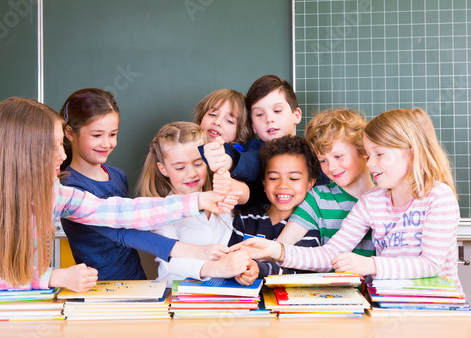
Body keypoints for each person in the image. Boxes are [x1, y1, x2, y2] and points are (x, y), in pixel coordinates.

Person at [0, 97, 239, 292]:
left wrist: (199, 200)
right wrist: (55, 277)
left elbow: (118, 212)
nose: (62, 155)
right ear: (25, 150)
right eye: (53, 147)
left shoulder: (52, 193)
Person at [235, 108, 461, 287]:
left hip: (436, 304)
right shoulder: (372, 202)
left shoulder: (439, 197)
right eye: (369, 154)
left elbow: (430, 264)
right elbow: (331, 253)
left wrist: (369, 264)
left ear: (412, 155)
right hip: (389, 302)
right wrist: (277, 250)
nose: (371, 163)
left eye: (379, 154)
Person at [59, 88, 226, 281]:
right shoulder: (68, 188)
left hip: (137, 282)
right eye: (97, 135)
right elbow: (126, 234)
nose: (106, 143)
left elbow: (134, 219)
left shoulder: (117, 176)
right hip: (100, 290)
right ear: (70, 133)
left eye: (113, 134)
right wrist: (200, 252)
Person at [136, 121, 254, 287]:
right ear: (163, 169)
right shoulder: (161, 210)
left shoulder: (218, 195)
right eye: (179, 167)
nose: (191, 173)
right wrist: (216, 268)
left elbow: (245, 195)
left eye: (198, 164)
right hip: (174, 294)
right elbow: (171, 261)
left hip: (219, 293)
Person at [202, 75, 329, 208]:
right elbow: (249, 162)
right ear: (253, 126)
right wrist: (227, 161)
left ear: (296, 115)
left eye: (277, 110)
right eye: (259, 114)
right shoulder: (253, 150)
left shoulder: (313, 153)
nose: (269, 119)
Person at [277, 109, 376, 259]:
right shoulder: (318, 199)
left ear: (363, 150)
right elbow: (284, 244)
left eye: (338, 156)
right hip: (330, 281)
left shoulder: (388, 198)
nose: (331, 167)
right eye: (323, 160)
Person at [228, 135, 321, 278]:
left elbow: (302, 271)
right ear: (264, 183)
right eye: (273, 178)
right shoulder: (246, 219)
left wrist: (260, 269)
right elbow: (230, 259)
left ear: (310, 183)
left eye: (294, 178)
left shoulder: (309, 226)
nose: (283, 185)